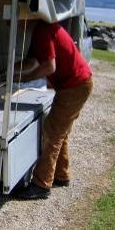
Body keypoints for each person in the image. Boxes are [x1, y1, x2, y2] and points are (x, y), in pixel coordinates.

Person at [14, 19, 93, 200]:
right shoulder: (41, 31)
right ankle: (61, 175)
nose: (12, 24)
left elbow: (50, 66)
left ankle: (41, 184)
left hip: (74, 86)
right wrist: (10, 70)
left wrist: (26, 79)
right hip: (78, 83)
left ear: (27, 18)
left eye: (15, 18)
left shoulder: (42, 32)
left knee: (52, 132)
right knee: (61, 131)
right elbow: (31, 61)